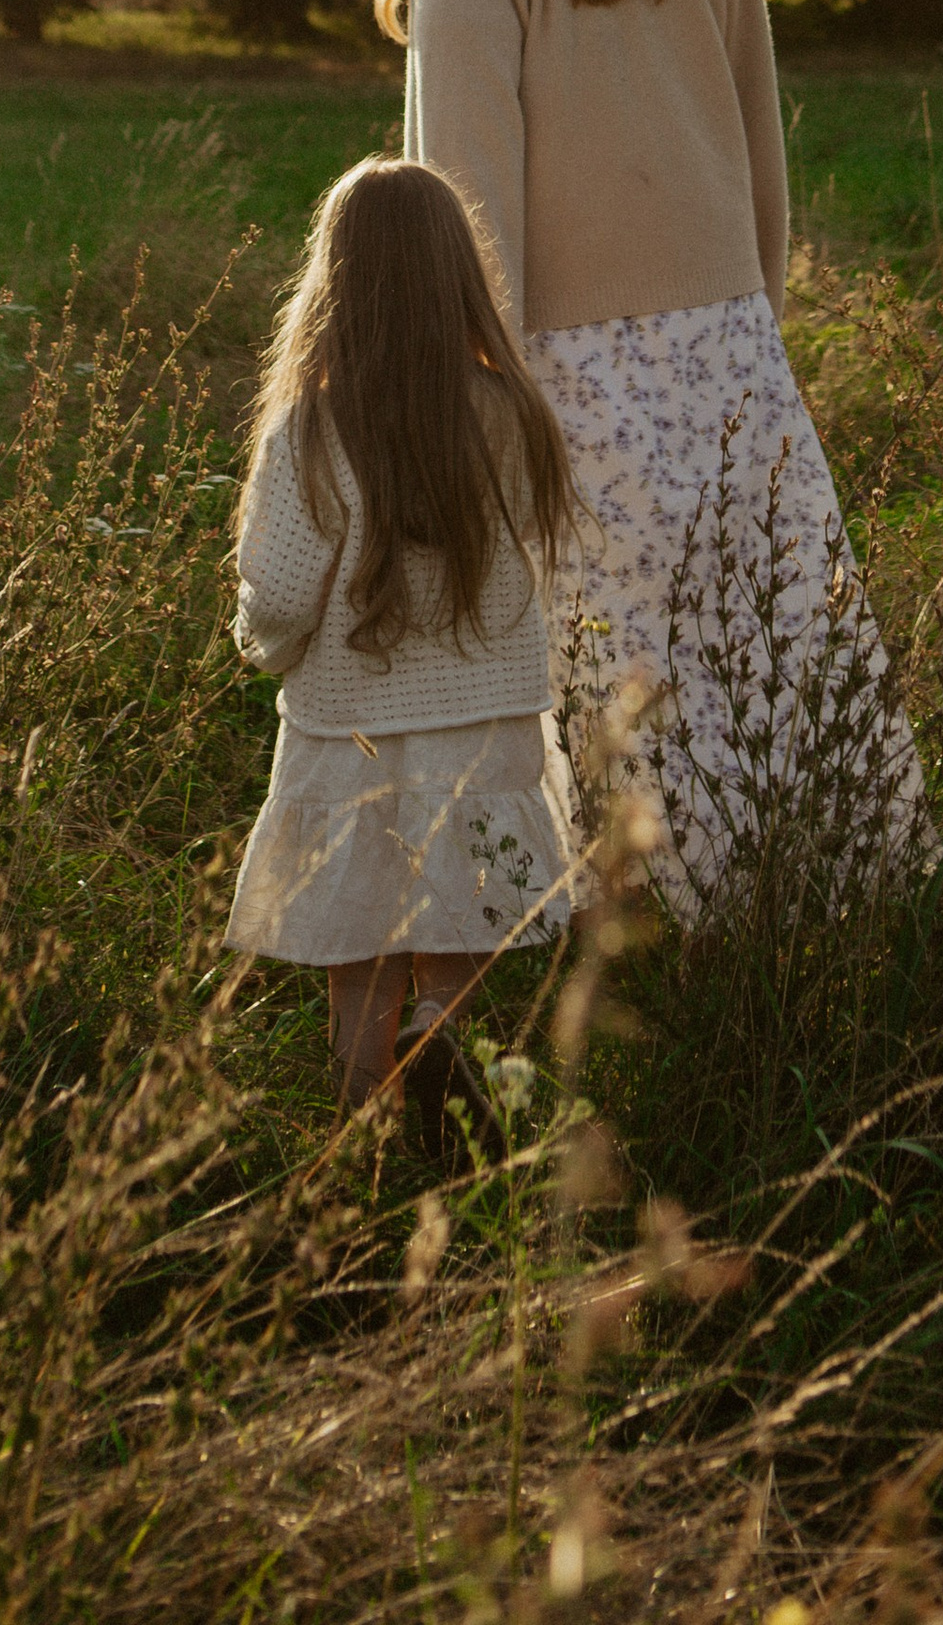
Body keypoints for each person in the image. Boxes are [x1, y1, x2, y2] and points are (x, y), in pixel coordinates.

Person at [381, 0, 932, 901]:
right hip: (731, 346)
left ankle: (641, 959)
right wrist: (756, 330)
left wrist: (477, 384)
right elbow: (759, 152)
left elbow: (463, 187)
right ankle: (816, 920)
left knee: (607, 678)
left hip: (559, 362)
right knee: (768, 661)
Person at [226, 153, 582, 1161]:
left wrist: (264, 644)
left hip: (354, 733)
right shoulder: (510, 415)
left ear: (334, 281)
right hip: (485, 724)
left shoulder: (311, 427)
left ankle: (358, 1150)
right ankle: (441, 1050)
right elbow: (526, 550)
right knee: (452, 927)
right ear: (457, 278)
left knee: (357, 958)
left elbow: (283, 595)